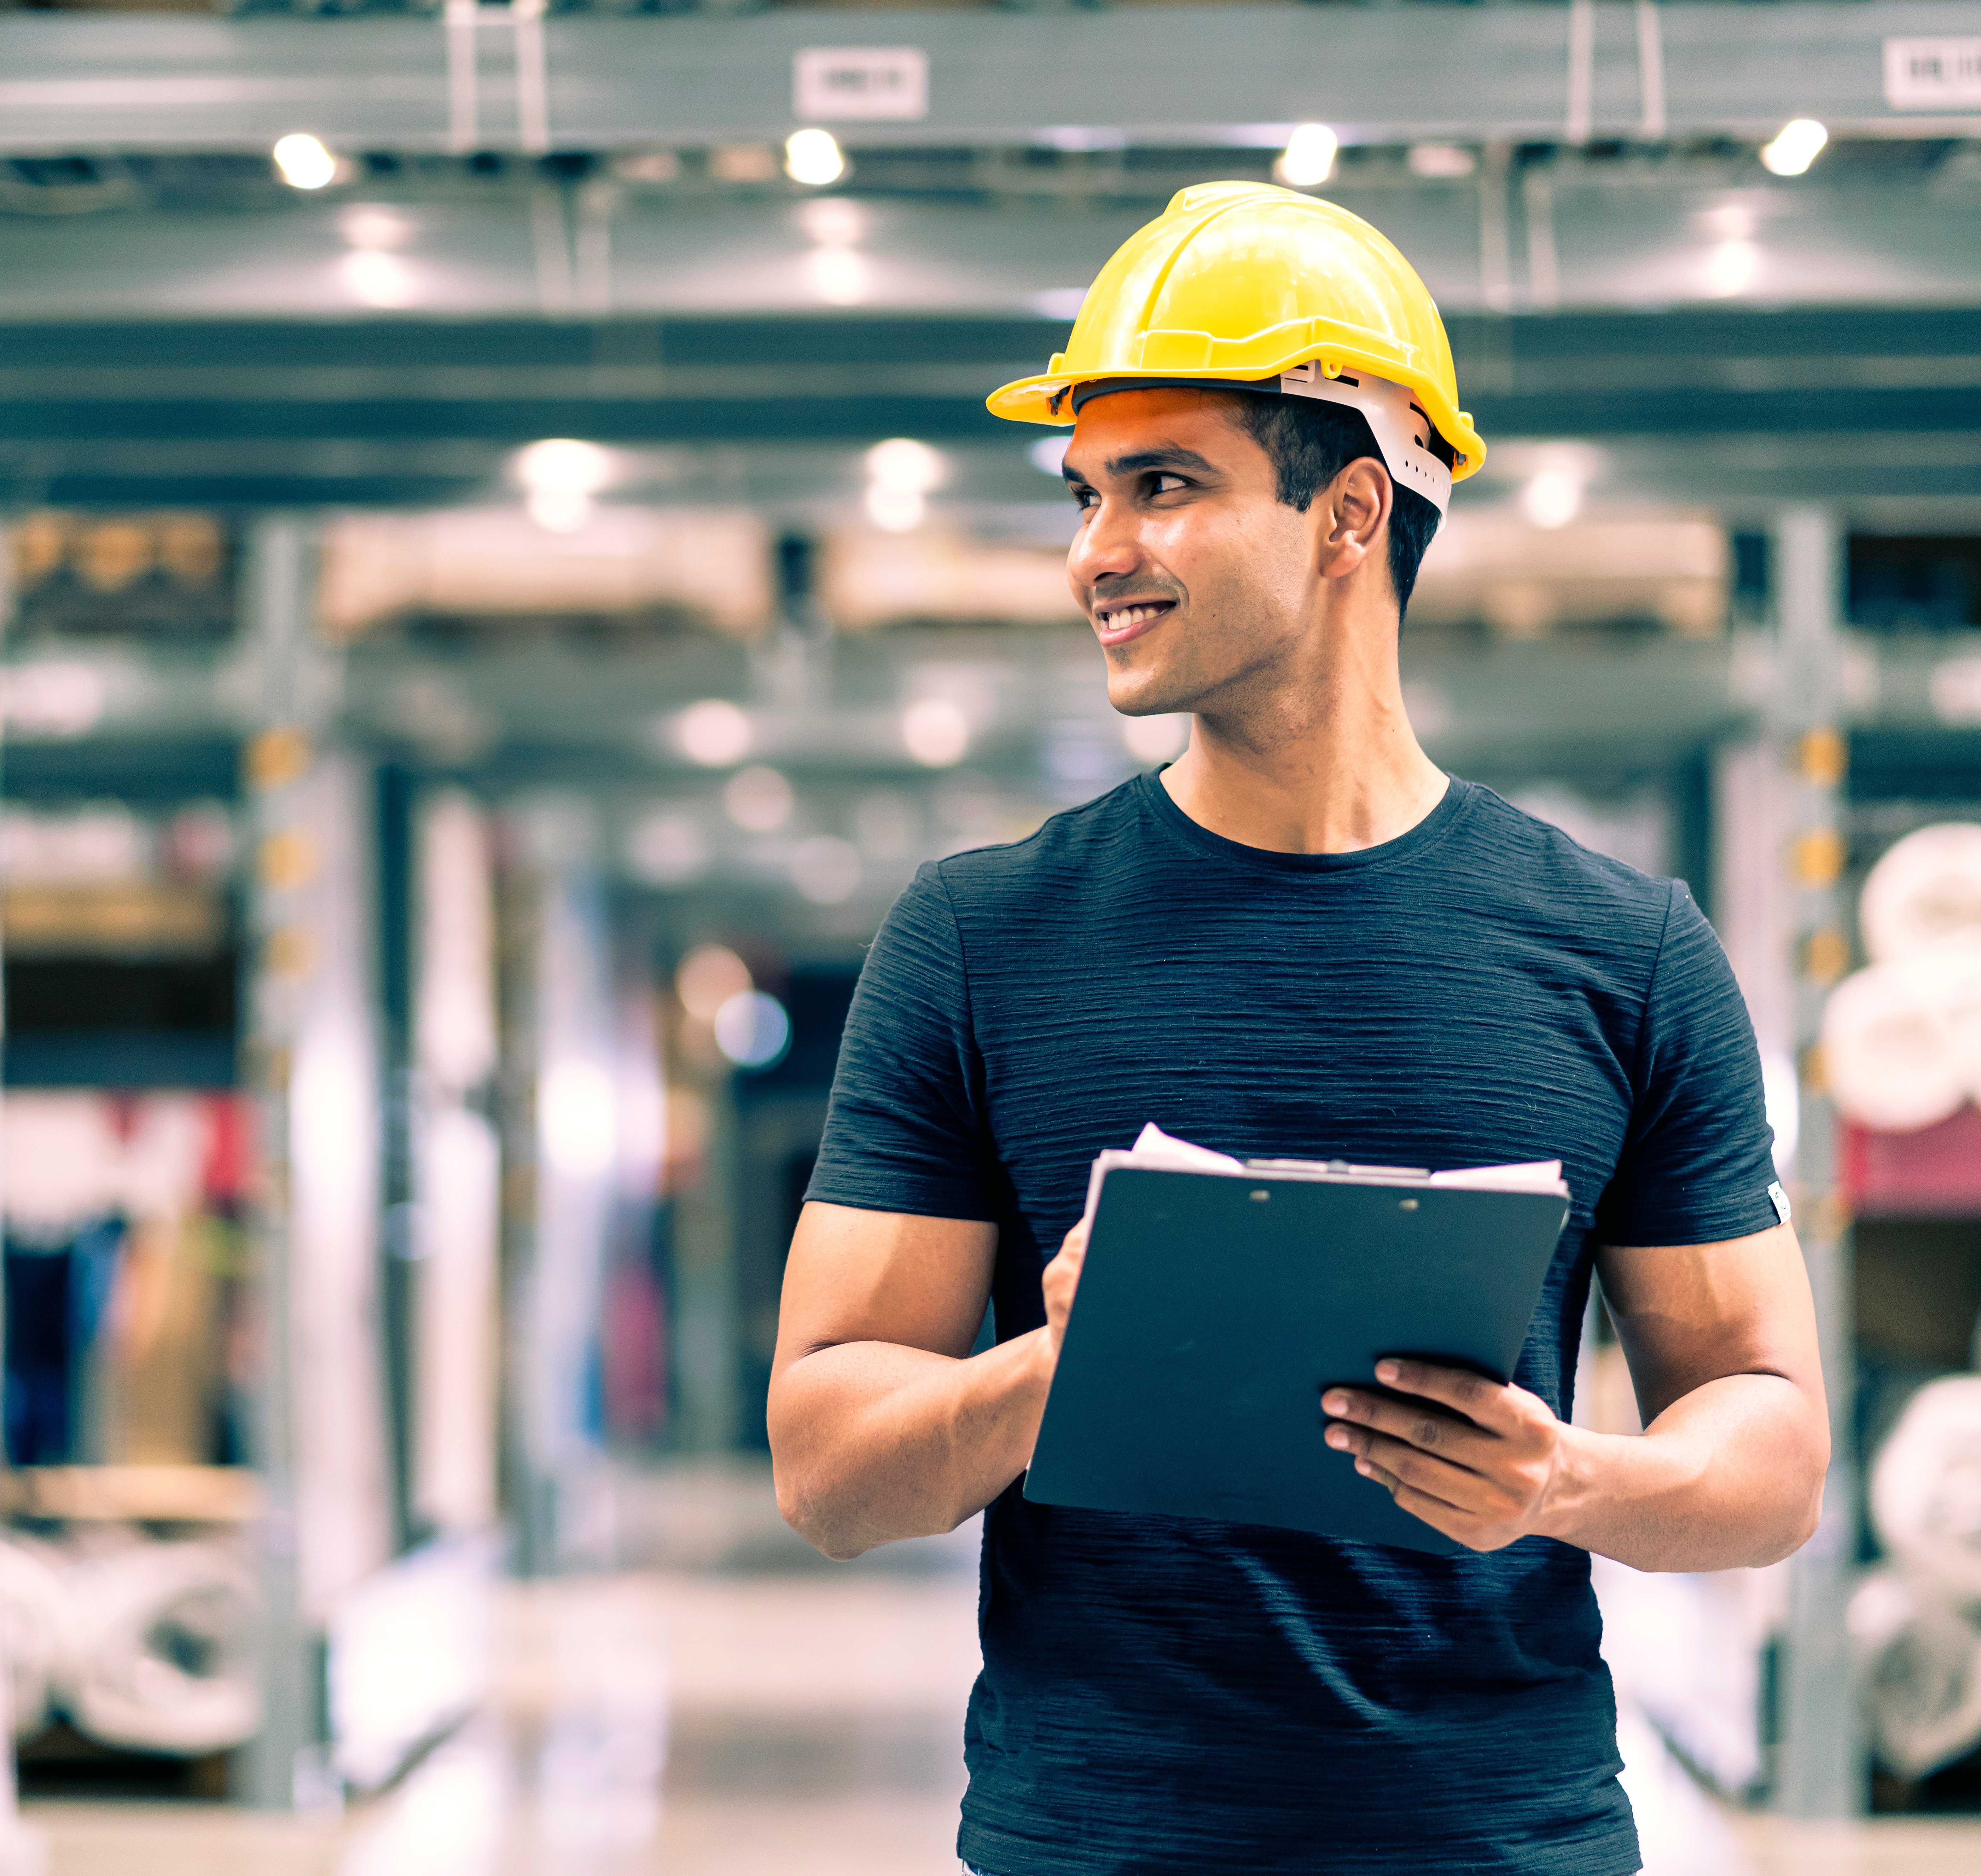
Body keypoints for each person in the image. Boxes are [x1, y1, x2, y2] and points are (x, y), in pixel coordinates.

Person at [766, 183, 1831, 1876]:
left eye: (1163, 486)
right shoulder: (980, 937)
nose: (1093, 551)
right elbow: (826, 1467)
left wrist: (1559, 1485)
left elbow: (1768, 1448)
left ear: (1348, 516)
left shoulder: (1621, 952)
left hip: (1504, 1843)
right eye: (1085, 492)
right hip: (1094, 1844)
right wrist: (1062, 1372)